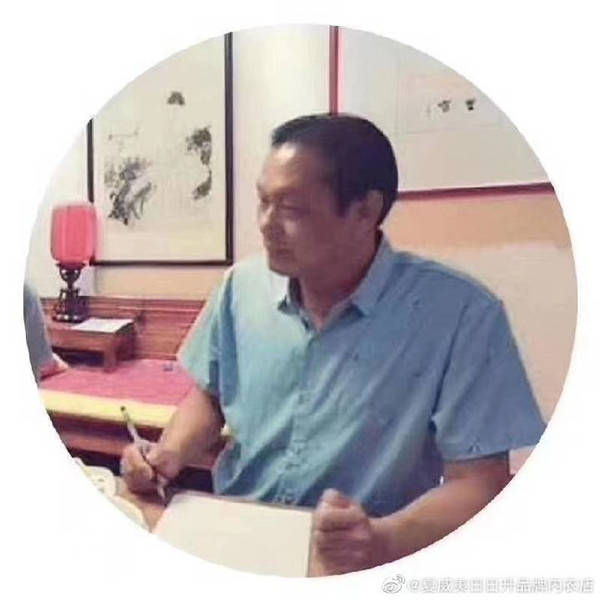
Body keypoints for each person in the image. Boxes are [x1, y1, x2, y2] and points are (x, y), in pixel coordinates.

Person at [121, 113, 546, 575]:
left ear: (365, 211)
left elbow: (479, 483)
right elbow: (211, 397)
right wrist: (169, 454)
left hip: (365, 559)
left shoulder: (460, 314)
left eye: (292, 208)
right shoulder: (242, 287)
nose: (266, 224)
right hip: (236, 532)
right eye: (263, 201)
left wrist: (383, 539)